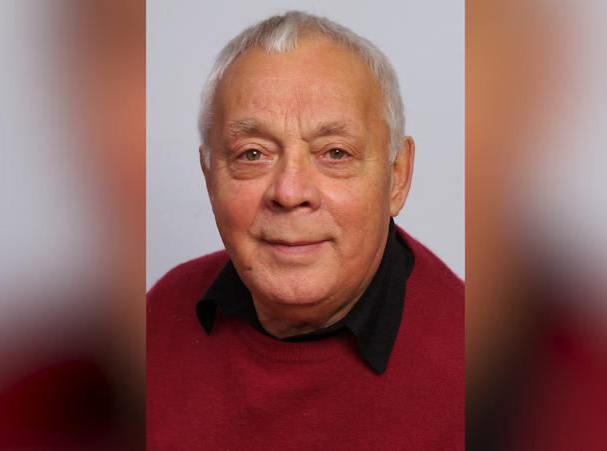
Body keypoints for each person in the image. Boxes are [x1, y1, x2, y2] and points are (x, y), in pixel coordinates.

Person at [147, 11, 463, 450]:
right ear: (209, 175)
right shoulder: (159, 314)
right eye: (252, 154)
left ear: (398, 176)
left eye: (335, 153)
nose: (290, 192)